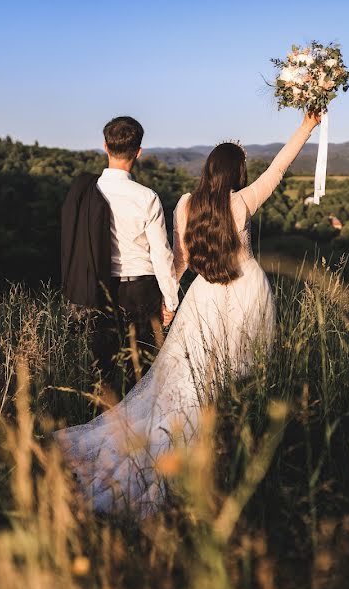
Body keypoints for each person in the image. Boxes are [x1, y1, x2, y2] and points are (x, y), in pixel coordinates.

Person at [54, 113, 321, 515]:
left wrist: (169, 300)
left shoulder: (183, 205)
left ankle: (183, 438)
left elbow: (178, 260)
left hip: (203, 298)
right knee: (241, 371)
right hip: (247, 293)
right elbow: (280, 167)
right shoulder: (243, 202)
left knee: (185, 379)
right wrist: (307, 126)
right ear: (238, 173)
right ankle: (233, 438)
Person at [60, 116, 179, 391]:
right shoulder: (147, 197)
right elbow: (161, 254)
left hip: (100, 289)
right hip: (142, 291)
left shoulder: (85, 193)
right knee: (141, 375)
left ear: (105, 146)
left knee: (103, 373)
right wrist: (170, 302)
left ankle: (103, 424)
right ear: (139, 152)